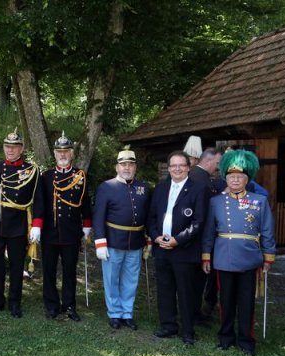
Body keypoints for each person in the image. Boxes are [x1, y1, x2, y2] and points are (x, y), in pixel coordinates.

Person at [202, 150, 276, 356]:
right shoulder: (215, 202)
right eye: (231, 176)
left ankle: (246, 340)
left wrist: (268, 256)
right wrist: (206, 255)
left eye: (239, 177)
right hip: (223, 257)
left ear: (247, 179)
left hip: (249, 258)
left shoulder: (258, 201)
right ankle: (225, 337)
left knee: (246, 302)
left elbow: (268, 230)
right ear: (225, 178)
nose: (235, 180)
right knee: (225, 300)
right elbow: (208, 231)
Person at [147, 151, 208, 345]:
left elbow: (199, 222)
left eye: (181, 165)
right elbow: (151, 217)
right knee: (165, 289)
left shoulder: (199, 189)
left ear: (188, 167)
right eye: (173, 166)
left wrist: (178, 240)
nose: (177, 169)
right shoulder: (160, 188)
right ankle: (168, 326)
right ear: (169, 168)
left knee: (186, 292)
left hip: (184, 250)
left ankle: (188, 331)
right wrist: (156, 236)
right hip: (161, 248)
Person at [32, 132, 92, 321]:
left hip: (71, 232)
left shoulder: (80, 176)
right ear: (55, 154)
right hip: (50, 232)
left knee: (69, 271)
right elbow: (40, 203)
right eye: (59, 152)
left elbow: (86, 203)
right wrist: (36, 225)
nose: (63, 155)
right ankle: (51, 305)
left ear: (71, 154)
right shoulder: (46, 176)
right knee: (48, 270)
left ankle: (69, 305)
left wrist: (87, 225)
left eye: (66, 151)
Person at [0, 128, 42, 318]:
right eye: (7, 146)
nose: (10, 150)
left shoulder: (31, 171)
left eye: (14, 147)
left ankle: (15, 302)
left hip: (18, 225)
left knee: (17, 266)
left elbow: (39, 200)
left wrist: (37, 224)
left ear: (21, 149)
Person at [93, 145, 150, 330]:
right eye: (123, 165)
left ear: (135, 167)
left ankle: (127, 313)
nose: (127, 168)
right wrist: (100, 242)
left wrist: (147, 239)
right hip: (113, 241)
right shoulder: (106, 187)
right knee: (111, 278)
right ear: (117, 167)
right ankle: (114, 313)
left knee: (131, 279)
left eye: (130, 165)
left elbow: (147, 215)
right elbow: (98, 216)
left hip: (135, 242)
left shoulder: (142, 187)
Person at [188, 147, 222, 322]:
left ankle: (195, 312)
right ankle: (192, 313)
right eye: (217, 163)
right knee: (195, 280)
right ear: (208, 161)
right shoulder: (198, 179)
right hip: (197, 238)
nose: (218, 167)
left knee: (200, 279)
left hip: (201, 237)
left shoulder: (202, 177)